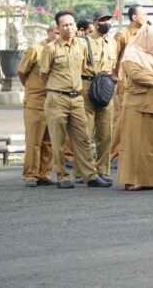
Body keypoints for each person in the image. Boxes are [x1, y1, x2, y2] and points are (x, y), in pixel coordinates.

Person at [39, 11, 111, 189]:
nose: (69, 28)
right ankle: (63, 176)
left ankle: (90, 175)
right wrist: (56, 89)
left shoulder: (82, 45)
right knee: (58, 140)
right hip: (57, 99)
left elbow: (87, 67)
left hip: (77, 98)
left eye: (71, 24)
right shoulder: (51, 48)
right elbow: (43, 75)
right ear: (58, 28)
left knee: (84, 138)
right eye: (64, 25)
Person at [117, 25, 153, 190]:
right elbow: (136, 74)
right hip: (137, 103)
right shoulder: (131, 53)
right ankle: (132, 180)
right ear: (146, 39)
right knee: (133, 143)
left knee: (151, 143)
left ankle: (149, 180)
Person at [18, 22, 59, 187]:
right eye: (56, 32)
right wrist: (32, 89)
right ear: (48, 32)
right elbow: (22, 73)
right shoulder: (35, 50)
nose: (59, 35)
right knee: (34, 140)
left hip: (54, 100)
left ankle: (44, 174)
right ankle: (30, 174)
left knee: (50, 141)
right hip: (36, 101)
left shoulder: (62, 50)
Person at [80, 9, 116, 183]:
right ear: (94, 23)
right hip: (87, 86)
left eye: (109, 19)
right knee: (85, 132)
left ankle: (102, 169)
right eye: (102, 20)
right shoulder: (84, 42)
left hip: (106, 86)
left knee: (106, 131)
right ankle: (85, 171)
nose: (106, 23)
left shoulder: (113, 43)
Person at [110, 4, 148, 163]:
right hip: (124, 83)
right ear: (134, 17)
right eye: (143, 14)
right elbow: (113, 57)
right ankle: (113, 155)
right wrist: (114, 78)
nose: (146, 17)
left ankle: (129, 153)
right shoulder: (122, 35)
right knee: (120, 119)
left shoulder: (145, 34)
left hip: (139, 83)